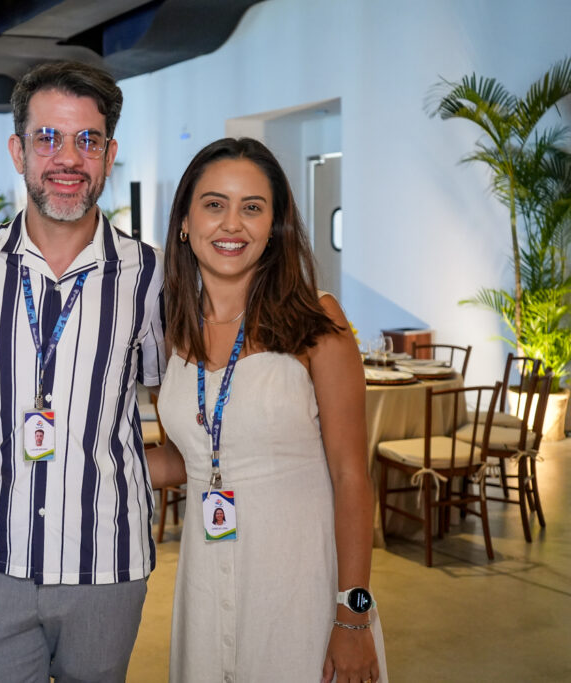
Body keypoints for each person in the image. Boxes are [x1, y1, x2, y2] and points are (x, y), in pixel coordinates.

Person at [0, 61, 165, 682]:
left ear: (109, 153)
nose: (68, 158)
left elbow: (174, 402)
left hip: (108, 564)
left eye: (87, 140)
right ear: (18, 150)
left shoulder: (149, 275)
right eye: (48, 138)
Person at [152, 138, 387, 682]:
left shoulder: (316, 320)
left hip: (298, 583)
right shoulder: (175, 331)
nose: (232, 224)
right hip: (207, 580)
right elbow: (186, 460)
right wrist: (94, 456)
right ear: (185, 221)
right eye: (214, 204)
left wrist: (353, 616)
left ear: (274, 226)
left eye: (252, 207)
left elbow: (353, 475)